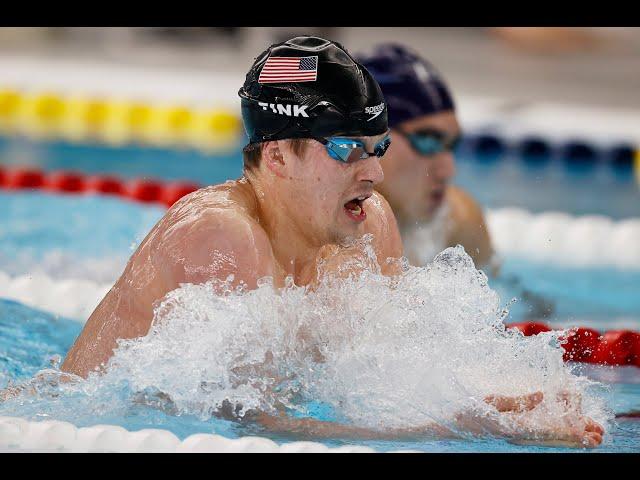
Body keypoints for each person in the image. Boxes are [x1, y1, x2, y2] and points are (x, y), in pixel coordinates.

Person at [53, 36, 601, 446]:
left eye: (377, 147)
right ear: (276, 157)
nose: (374, 174)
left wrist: (509, 400)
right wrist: (460, 428)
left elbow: (398, 366)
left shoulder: (369, 226)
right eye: (346, 150)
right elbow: (242, 421)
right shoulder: (222, 237)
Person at [357, 44, 493, 268]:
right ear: (369, 138)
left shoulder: (458, 223)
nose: (448, 170)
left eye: (452, 145)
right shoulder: (316, 233)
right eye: (428, 141)